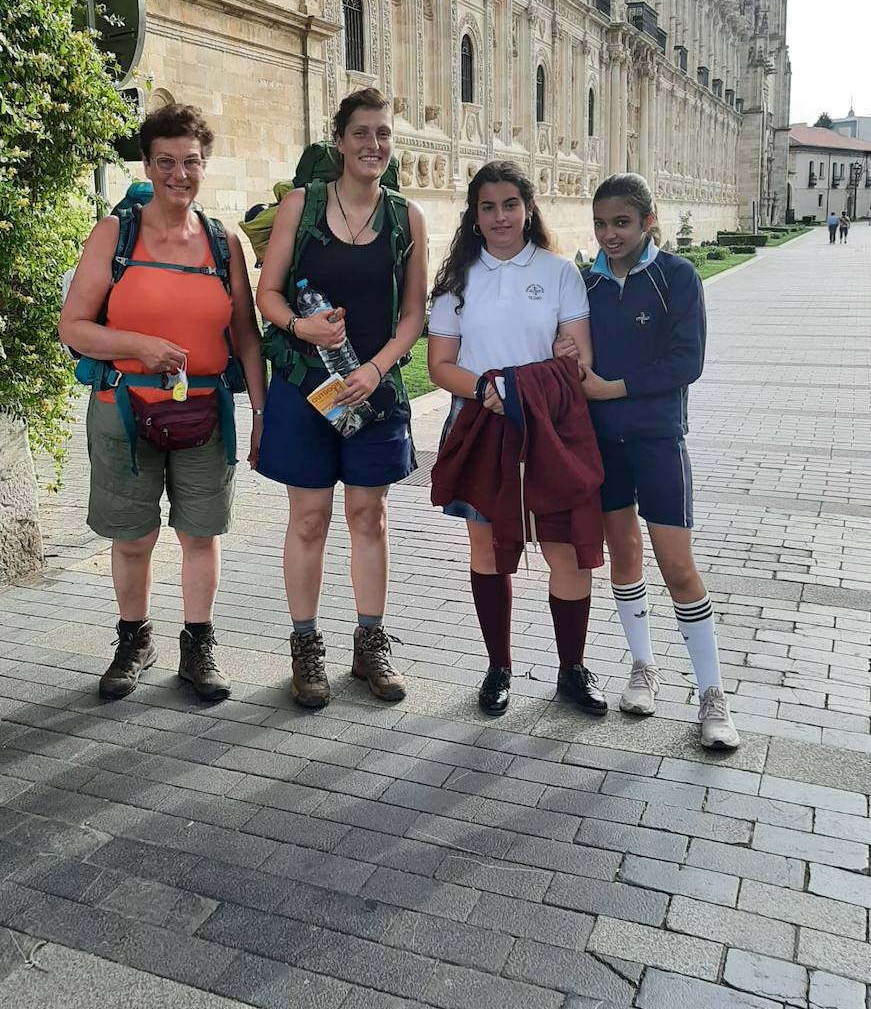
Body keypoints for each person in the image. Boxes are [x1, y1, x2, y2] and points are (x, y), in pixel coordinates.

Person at [59, 103, 266, 703]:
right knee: (133, 538)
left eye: (192, 162)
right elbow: (73, 326)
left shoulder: (224, 244)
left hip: (205, 413)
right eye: (167, 161)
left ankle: (198, 646)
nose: (180, 173)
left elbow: (247, 338)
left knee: (200, 536)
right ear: (148, 164)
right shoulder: (114, 234)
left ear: (205, 165)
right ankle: (134, 639)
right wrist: (138, 346)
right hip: (124, 408)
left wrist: (261, 415)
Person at [256, 88, 428, 710]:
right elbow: (267, 294)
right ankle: (305, 647)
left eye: (382, 134)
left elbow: (414, 314)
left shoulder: (406, 218)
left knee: (368, 517)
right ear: (339, 141)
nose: (373, 145)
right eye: (361, 133)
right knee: (308, 519)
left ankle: (370, 644)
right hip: (307, 389)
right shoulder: (301, 207)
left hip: (371, 393)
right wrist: (301, 328)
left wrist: (378, 368)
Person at [559, 173, 739, 749]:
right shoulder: (585, 286)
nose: (610, 234)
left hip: (659, 440)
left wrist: (612, 389)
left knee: (677, 565)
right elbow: (567, 349)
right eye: (601, 223)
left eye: (622, 222)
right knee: (624, 556)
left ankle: (712, 697)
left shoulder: (676, 277)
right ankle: (643, 668)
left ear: (648, 221)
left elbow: (687, 362)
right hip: (603, 448)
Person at [427, 162, 607, 718]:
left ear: (528, 209)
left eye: (510, 204)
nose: (500, 216)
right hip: (481, 424)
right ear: (474, 217)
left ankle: (572, 670)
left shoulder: (557, 273)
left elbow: (580, 362)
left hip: (550, 428)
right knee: (489, 549)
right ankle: (498, 667)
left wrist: (524, 389)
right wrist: (488, 388)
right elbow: (440, 365)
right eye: (488, 206)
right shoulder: (458, 280)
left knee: (565, 554)